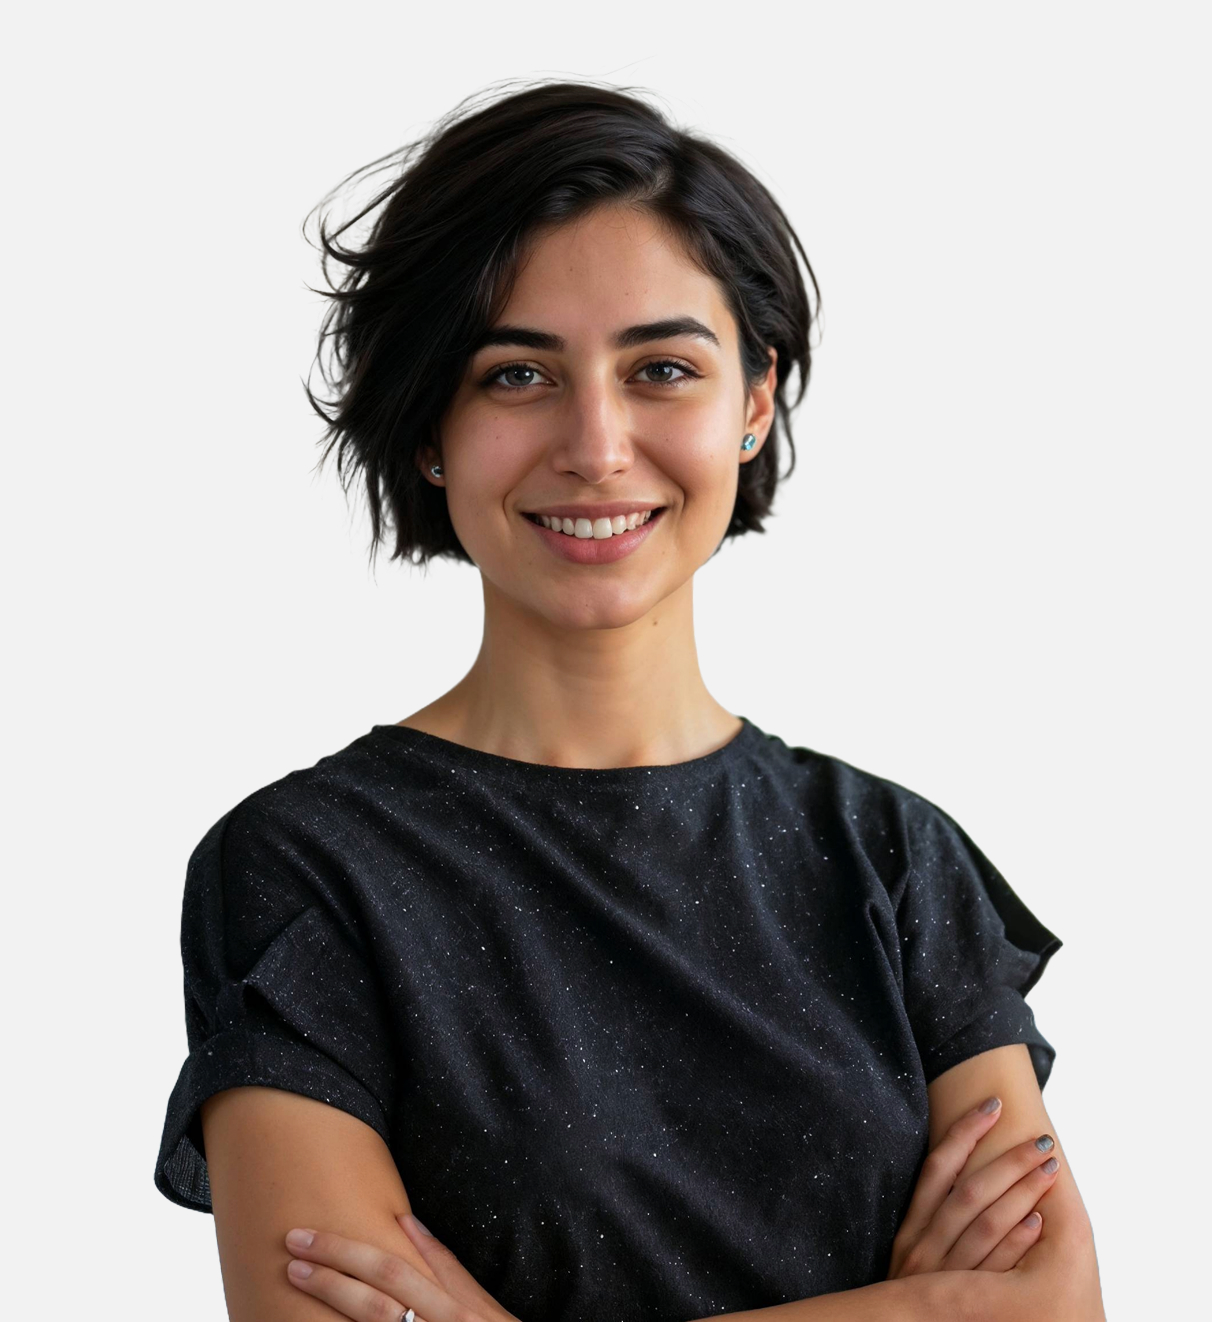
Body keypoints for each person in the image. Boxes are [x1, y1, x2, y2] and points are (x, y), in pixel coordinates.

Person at [154, 78, 1103, 1322]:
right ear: (430, 424)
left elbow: (1052, 1305)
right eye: (516, 374)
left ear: (752, 403)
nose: (597, 445)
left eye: (660, 367)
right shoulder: (306, 866)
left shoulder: (894, 855)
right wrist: (931, 1308)